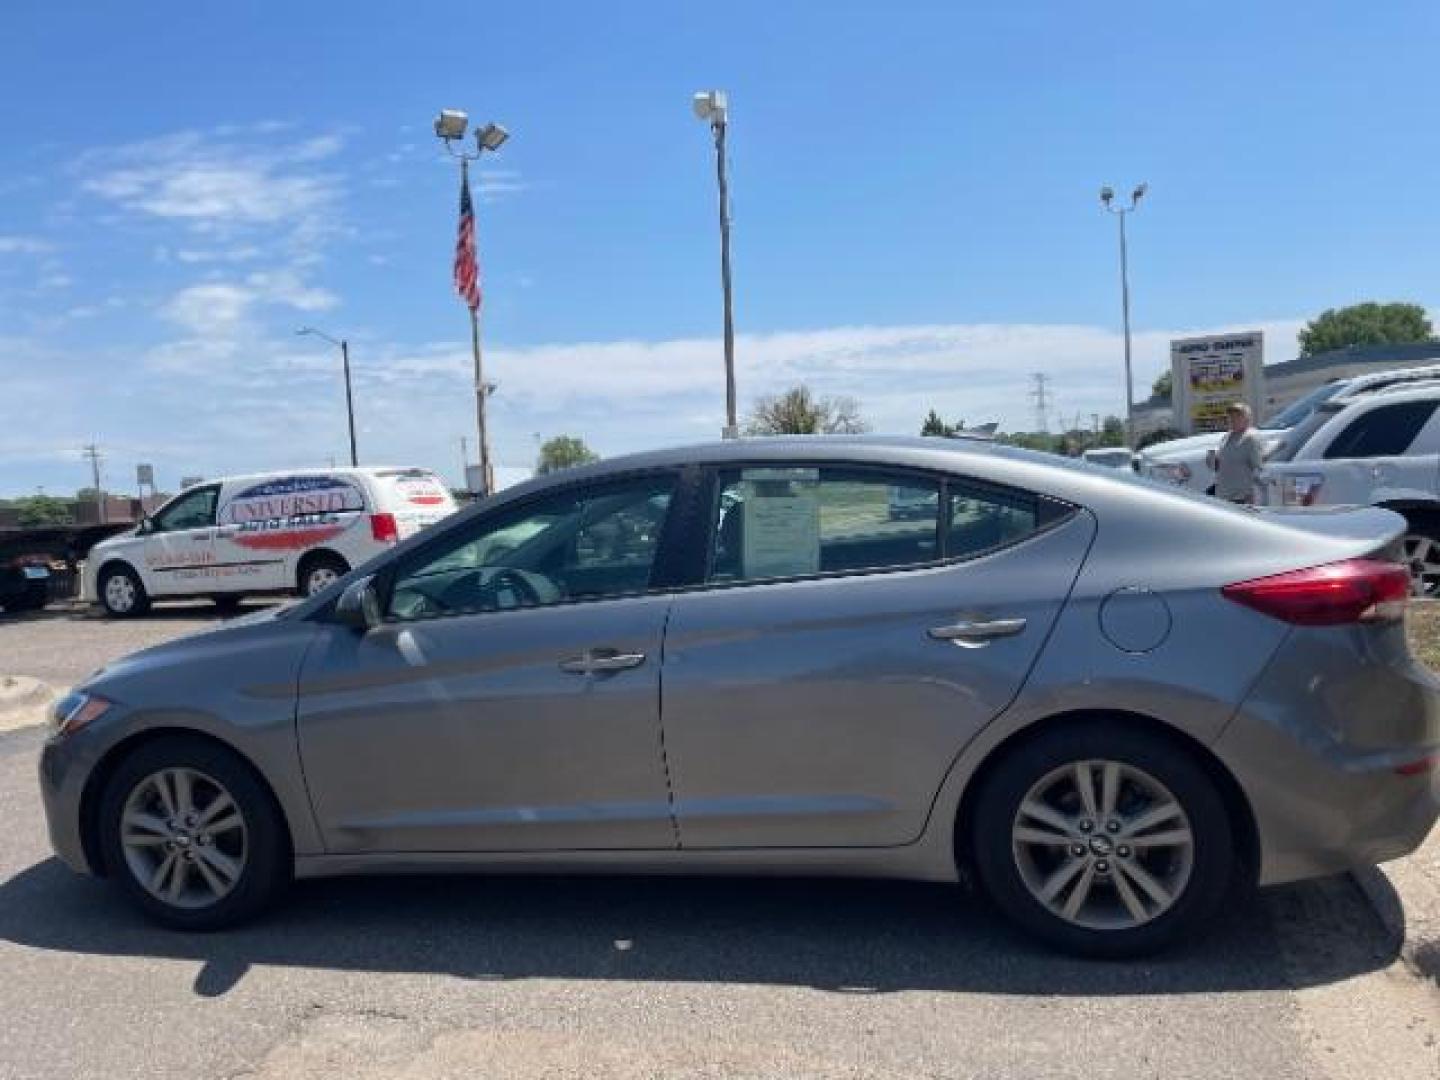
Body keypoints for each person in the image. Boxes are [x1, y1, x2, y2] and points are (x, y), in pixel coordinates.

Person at [1206, 402, 1264, 504]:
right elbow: (1218, 465)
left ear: (1247, 419)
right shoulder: (1227, 437)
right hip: (1223, 495)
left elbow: (1259, 467)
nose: (1232, 419)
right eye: (1230, 416)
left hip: (1242, 497)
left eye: (1237, 416)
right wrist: (1212, 459)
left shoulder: (1251, 438)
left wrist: (1252, 494)